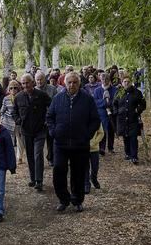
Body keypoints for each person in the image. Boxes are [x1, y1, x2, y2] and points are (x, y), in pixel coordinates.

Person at [47, 72, 101, 212]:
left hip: (80, 144)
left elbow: (95, 120)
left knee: (78, 173)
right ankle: (63, 199)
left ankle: (77, 200)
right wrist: (54, 132)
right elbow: (50, 117)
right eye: (69, 82)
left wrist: (87, 135)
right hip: (61, 143)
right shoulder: (58, 98)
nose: (72, 85)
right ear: (65, 83)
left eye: (75, 82)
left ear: (79, 83)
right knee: (59, 170)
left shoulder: (87, 99)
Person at [15, 73, 51, 192]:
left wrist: (47, 120)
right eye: (23, 83)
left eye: (27, 83)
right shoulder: (18, 97)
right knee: (30, 155)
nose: (25, 85)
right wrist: (18, 120)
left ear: (33, 83)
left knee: (37, 154)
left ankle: (39, 181)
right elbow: (14, 112)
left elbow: (51, 107)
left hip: (40, 130)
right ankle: (33, 178)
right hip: (26, 131)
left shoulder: (41, 95)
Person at [113, 76, 146, 164]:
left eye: (128, 81)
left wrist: (137, 110)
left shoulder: (137, 92)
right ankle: (127, 153)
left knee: (133, 137)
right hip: (122, 119)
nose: (126, 83)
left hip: (133, 118)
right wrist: (117, 111)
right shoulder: (119, 92)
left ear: (131, 82)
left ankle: (134, 156)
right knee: (125, 136)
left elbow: (143, 104)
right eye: (124, 81)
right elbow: (114, 104)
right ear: (122, 82)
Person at [0, 79, 24, 164]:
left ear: (18, 89)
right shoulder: (6, 99)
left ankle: (19, 157)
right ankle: (10, 157)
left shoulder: (21, 97)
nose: (13, 90)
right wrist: (1, 120)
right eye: (11, 88)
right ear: (8, 89)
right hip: (8, 123)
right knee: (9, 141)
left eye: (15, 88)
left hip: (18, 123)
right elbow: (2, 111)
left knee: (19, 140)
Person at [93, 73, 117, 155]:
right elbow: (95, 102)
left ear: (109, 80)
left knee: (111, 130)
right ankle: (102, 148)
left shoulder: (114, 90)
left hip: (112, 113)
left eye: (106, 79)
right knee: (102, 131)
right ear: (101, 80)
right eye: (103, 79)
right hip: (101, 113)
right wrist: (105, 103)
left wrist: (109, 103)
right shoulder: (97, 90)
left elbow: (115, 101)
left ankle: (111, 147)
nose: (104, 81)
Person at [84, 126, 104, 193]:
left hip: (94, 149)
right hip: (83, 148)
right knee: (85, 167)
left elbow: (101, 133)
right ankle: (86, 184)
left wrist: (94, 142)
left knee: (95, 167)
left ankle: (94, 179)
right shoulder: (80, 118)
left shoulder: (96, 118)